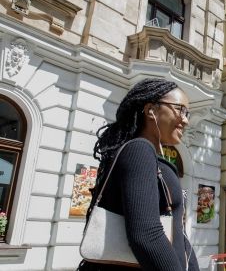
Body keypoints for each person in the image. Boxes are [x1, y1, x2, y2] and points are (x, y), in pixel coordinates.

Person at [78, 78, 199, 271]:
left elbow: (177, 233)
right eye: (180, 109)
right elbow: (147, 235)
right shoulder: (139, 150)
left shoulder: (148, 155)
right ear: (151, 110)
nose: (185, 120)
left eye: (187, 113)